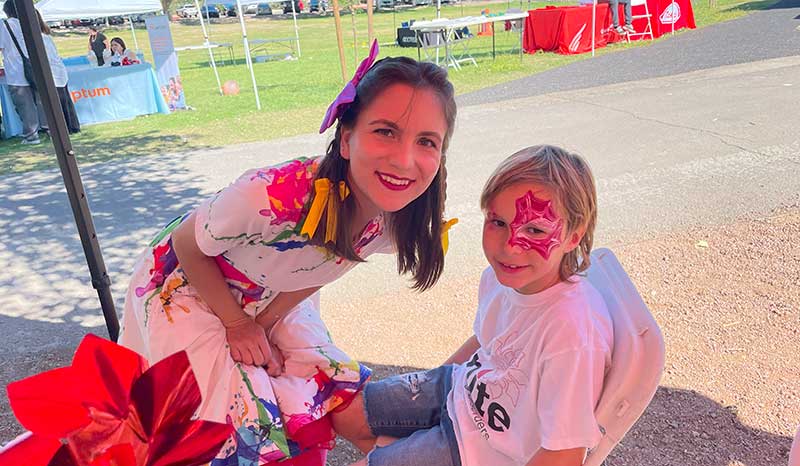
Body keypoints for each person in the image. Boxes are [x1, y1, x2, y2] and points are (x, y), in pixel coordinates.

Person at [118, 41, 458, 466]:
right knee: (231, 423)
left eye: (426, 141)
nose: (405, 159)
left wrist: (266, 322)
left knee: (329, 387)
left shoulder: (398, 213)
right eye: (385, 131)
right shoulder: (271, 195)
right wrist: (238, 324)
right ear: (347, 138)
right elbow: (188, 244)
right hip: (188, 283)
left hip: (270, 289)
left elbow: (330, 261)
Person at [332, 145, 614, 466]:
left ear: (573, 237)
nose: (509, 247)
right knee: (345, 414)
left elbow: (564, 454)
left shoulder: (572, 333)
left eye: (534, 230)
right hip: (459, 389)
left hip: (482, 453)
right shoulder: (501, 278)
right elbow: (483, 341)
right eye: (497, 222)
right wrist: (430, 388)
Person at [0, 0, 46, 144]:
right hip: (36, 68)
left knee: (24, 105)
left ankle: (31, 135)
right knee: (41, 101)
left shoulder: (4, 25)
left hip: (16, 71)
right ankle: (49, 128)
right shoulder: (30, 23)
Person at [38, 10, 80, 134]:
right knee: (64, 99)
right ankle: (70, 126)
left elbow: (49, 57)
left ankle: (67, 127)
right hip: (57, 71)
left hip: (54, 71)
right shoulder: (46, 36)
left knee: (61, 100)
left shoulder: (43, 38)